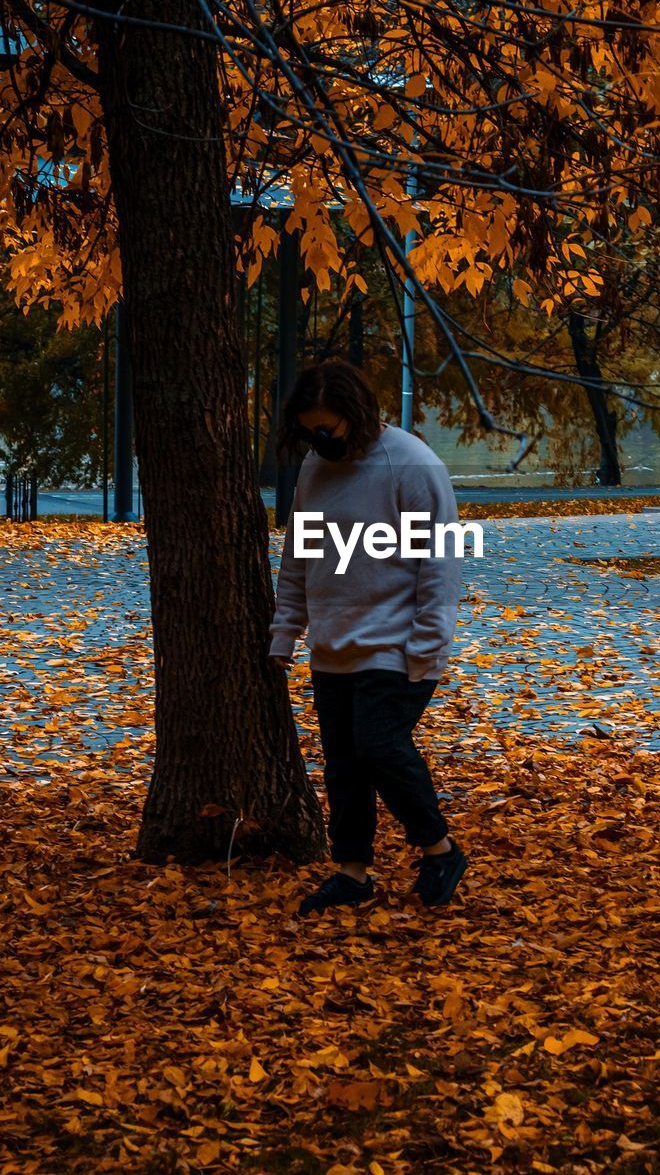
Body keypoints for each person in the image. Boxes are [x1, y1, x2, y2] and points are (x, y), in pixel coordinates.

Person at [268, 358, 469, 915]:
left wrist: (427, 646)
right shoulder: (315, 467)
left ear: (355, 414)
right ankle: (353, 873)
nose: (317, 440)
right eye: (309, 431)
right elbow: (299, 557)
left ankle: (440, 850)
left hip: (397, 645)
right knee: (344, 767)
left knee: (379, 748)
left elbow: (441, 563)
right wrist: (286, 631)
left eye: (326, 430)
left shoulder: (412, 466)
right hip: (332, 648)